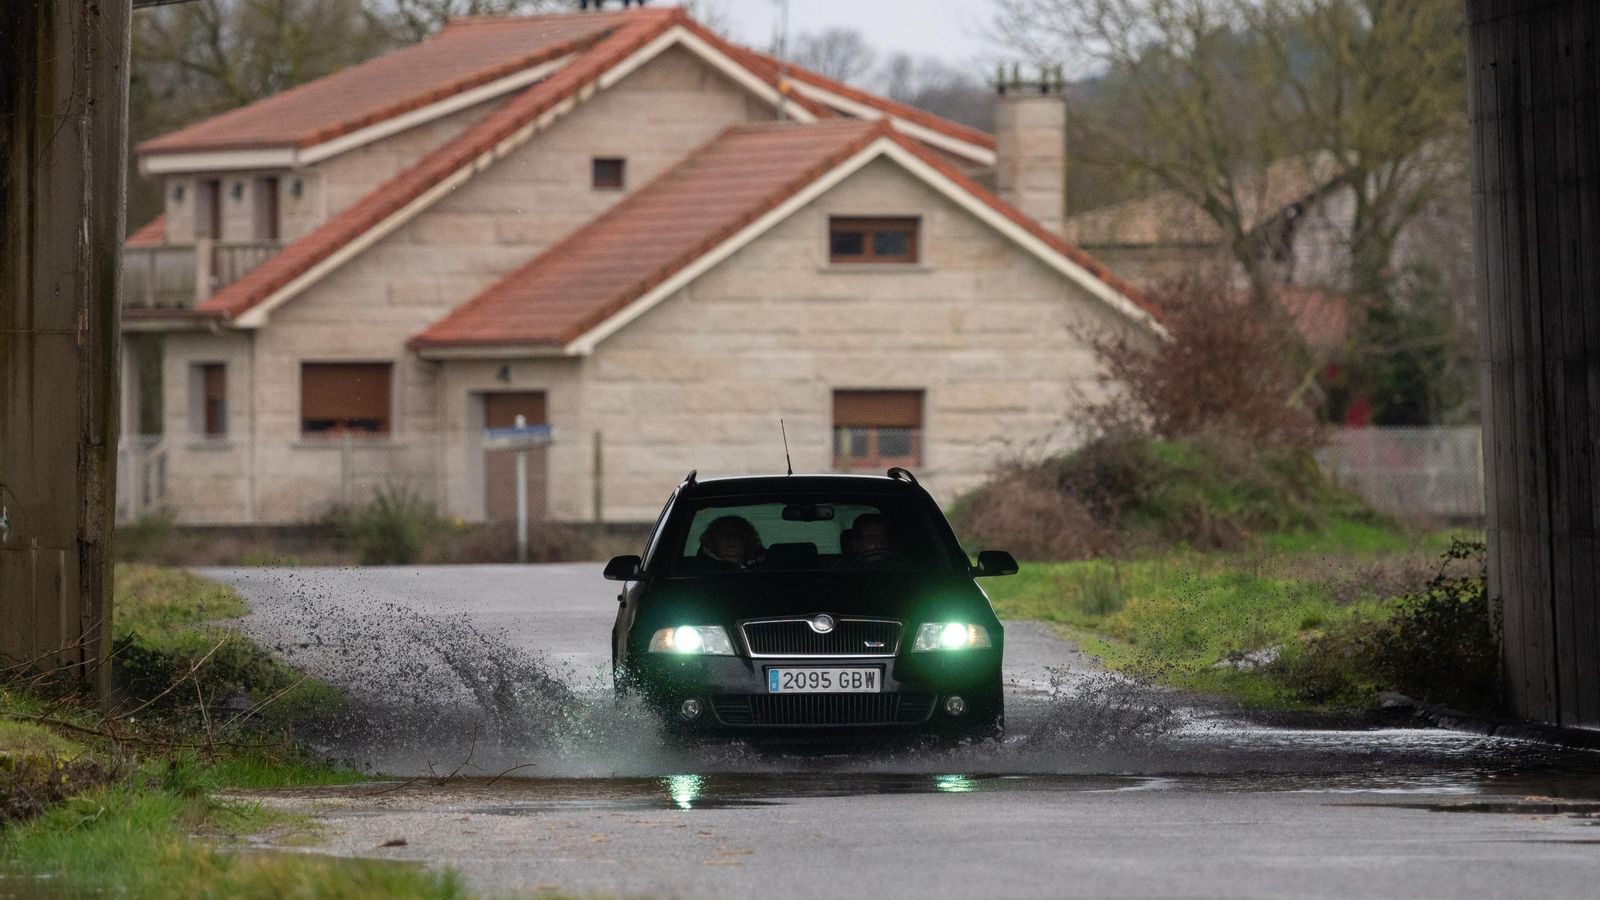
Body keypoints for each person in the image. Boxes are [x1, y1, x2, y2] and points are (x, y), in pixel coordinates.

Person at [697, 515, 765, 568]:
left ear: (747, 542)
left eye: (737, 536)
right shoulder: (699, 570)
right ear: (713, 543)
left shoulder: (766, 567)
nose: (731, 545)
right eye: (724, 536)